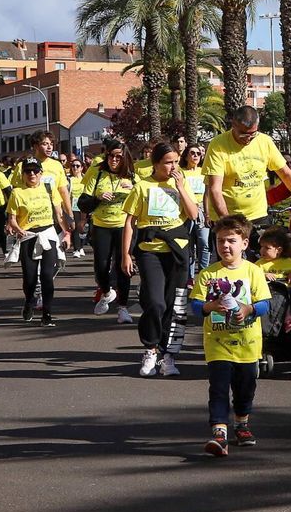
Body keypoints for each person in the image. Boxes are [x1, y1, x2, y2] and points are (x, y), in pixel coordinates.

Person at [189, 214, 272, 457]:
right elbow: (195, 306)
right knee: (218, 388)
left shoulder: (253, 271)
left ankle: (241, 422)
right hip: (218, 344)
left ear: (244, 244)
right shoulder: (208, 274)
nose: (225, 246)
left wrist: (249, 309)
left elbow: (265, 304)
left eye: (231, 241)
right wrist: (209, 307)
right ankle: (219, 432)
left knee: (245, 388)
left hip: (247, 344)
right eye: (220, 241)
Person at [122, 141, 199, 377]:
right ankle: (151, 348)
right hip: (150, 250)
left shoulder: (181, 182)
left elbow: (194, 214)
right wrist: (126, 254)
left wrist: (181, 187)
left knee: (174, 305)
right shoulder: (142, 186)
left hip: (177, 250)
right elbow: (130, 222)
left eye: (176, 161)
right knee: (155, 303)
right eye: (168, 162)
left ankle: (168, 355)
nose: (173, 166)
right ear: (155, 164)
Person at [202, 106, 291, 257]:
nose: (248, 138)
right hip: (229, 217)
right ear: (234, 126)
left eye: (253, 134)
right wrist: (227, 222)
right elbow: (215, 189)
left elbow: (286, 174)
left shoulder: (264, 141)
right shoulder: (218, 145)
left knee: (264, 263)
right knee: (231, 268)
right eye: (243, 134)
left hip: (258, 216)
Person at [6, 157, 72, 326]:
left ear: (41, 173)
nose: (32, 174)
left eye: (35, 170)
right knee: (29, 279)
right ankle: (29, 302)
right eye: (28, 171)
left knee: (47, 276)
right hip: (28, 236)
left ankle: (47, 314)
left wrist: (67, 233)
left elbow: (58, 214)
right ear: (23, 174)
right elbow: (12, 219)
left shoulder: (49, 189)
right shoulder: (17, 192)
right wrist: (20, 231)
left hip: (47, 234)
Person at [86, 140, 137, 322]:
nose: (114, 160)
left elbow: (143, 200)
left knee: (123, 266)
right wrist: (98, 198)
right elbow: (83, 203)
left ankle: (123, 309)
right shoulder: (97, 174)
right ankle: (107, 292)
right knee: (101, 266)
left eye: (118, 157)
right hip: (101, 226)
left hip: (124, 227)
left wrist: (134, 189)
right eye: (111, 155)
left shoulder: (132, 177)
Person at [256, 225, 291, 331]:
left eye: (267, 248)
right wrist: (263, 275)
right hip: (272, 293)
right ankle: (288, 320)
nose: (262, 251)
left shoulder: (289, 262)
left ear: (279, 250)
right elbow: (253, 275)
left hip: (289, 289)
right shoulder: (259, 264)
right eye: (261, 247)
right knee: (280, 301)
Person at [11, 131, 72, 224]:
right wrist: (12, 219)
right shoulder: (22, 166)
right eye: (45, 144)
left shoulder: (57, 165)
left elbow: (63, 191)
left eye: (51, 144)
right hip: (30, 217)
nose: (49, 147)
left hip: (55, 214)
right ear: (35, 146)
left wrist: (69, 215)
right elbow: (15, 194)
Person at [179, 142, 209, 277]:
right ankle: (189, 278)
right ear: (186, 156)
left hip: (203, 210)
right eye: (192, 153)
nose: (196, 155)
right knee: (189, 245)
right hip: (186, 210)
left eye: (198, 153)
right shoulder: (181, 172)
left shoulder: (204, 171)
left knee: (204, 242)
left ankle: (204, 274)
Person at [66, 159, 87, 258]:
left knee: (84, 227)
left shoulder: (86, 178)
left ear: (82, 168)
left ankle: (81, 246)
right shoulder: (69, 179)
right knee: (76, 227)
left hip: (84, 205)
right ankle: (76, 249)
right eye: (73, 166)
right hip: (74, 205)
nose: (75, 168)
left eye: (77, 166)